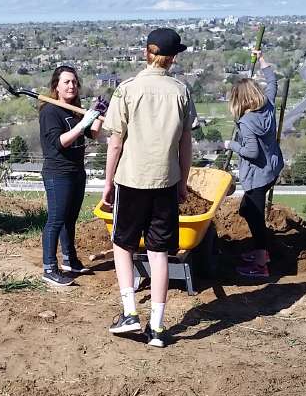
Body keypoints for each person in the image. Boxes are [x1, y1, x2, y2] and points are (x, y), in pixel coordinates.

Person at [101, 28, 195, 348]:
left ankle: (130, 313)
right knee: (159, 253)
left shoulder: (128, 90)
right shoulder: (181, 92)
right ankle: (156, 328)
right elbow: (185, 144)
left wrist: (108, 183)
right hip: (166, 182)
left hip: (131, 180)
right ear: (173, 58)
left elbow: (115, 144)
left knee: (123, 245)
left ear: (146, 52)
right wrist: (183, 182)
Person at [38, 66, 105, 287]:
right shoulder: (50, 111)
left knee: (70, 219)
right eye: (66, 82)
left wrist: (97, 115)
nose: (71, 86)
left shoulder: (74, 110)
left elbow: (93, 134)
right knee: (56, 220)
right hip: (58, 173)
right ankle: (49, 267)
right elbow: (60, 142)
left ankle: (70, 259)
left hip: (77, 171)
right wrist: (83, 122)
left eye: (74, 82)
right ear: (56, 85)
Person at [224, 55, 284, 279]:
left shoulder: (247, 122)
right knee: (246, 210)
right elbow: (273, 81)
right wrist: (262, 59)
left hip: (257, 176)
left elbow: (251, 152)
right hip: (272, 168)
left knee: (256, 219)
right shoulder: (267, 104)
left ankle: (261, 264)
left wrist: (231, 144)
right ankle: (261, 253)